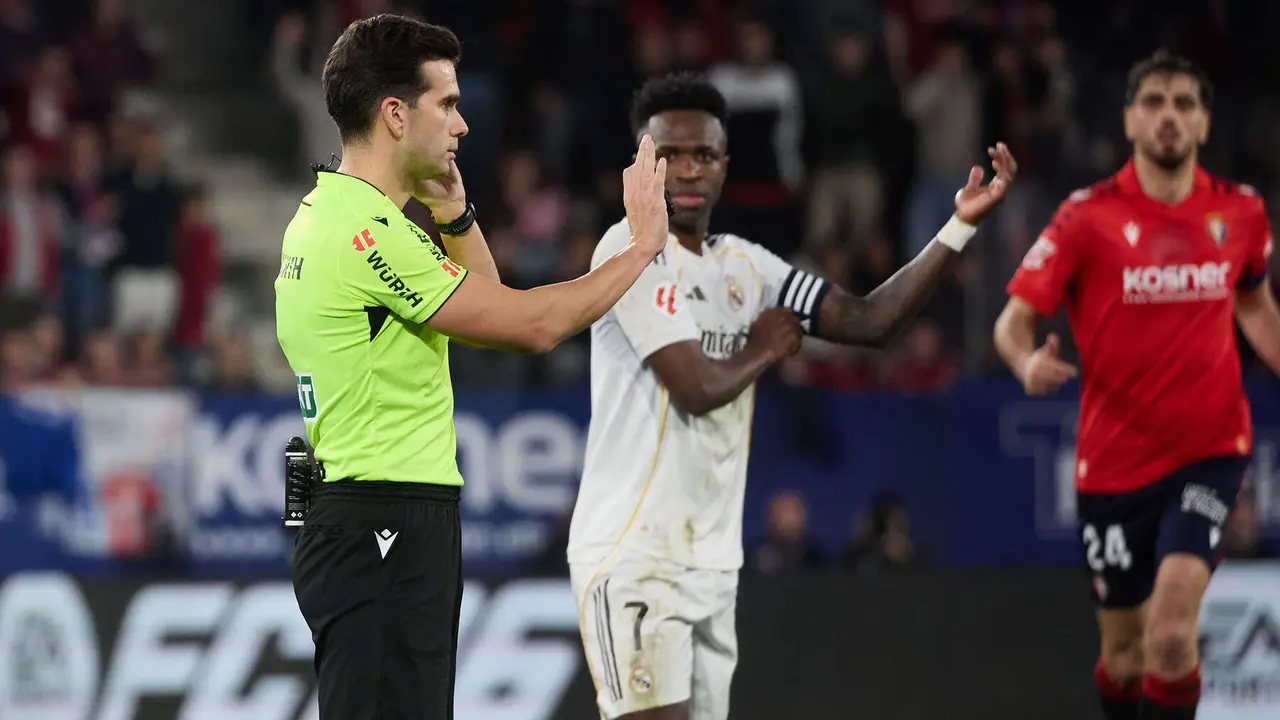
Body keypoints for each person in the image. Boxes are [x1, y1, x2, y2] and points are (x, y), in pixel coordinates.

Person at [567, 71, 1017, 720]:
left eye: (705, 156)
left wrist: (956, 229)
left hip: (711, 564)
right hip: (633, 551)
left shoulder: (749, 267)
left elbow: (869, 320)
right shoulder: (632, 252)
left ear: (725, 168)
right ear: (643, 165)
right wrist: (764, 350)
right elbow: (694, 389)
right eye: (669, 156)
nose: (688, 171)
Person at [273, 15, 671, 720]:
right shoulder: (370, 237)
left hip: (369, 514)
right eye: (447, 104)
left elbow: (499, 319)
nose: (461, 125)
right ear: (395, 115)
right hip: (381, 518)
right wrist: (639, 248)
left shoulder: (344, 217)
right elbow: (537, 326)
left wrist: (455, 218)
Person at [995, 50, 1280, 720]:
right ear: (1129, 120)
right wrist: (1023, 363)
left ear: (1206, 124)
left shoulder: (1241, 213)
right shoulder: (1085, 217)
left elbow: (1255, 307)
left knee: (1175, 634)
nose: (1170, 116)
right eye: (1154, 102)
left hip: (1212, 450)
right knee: (1124, 658)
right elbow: (1012, 322)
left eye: (1185, 103)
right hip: (1115, 465)